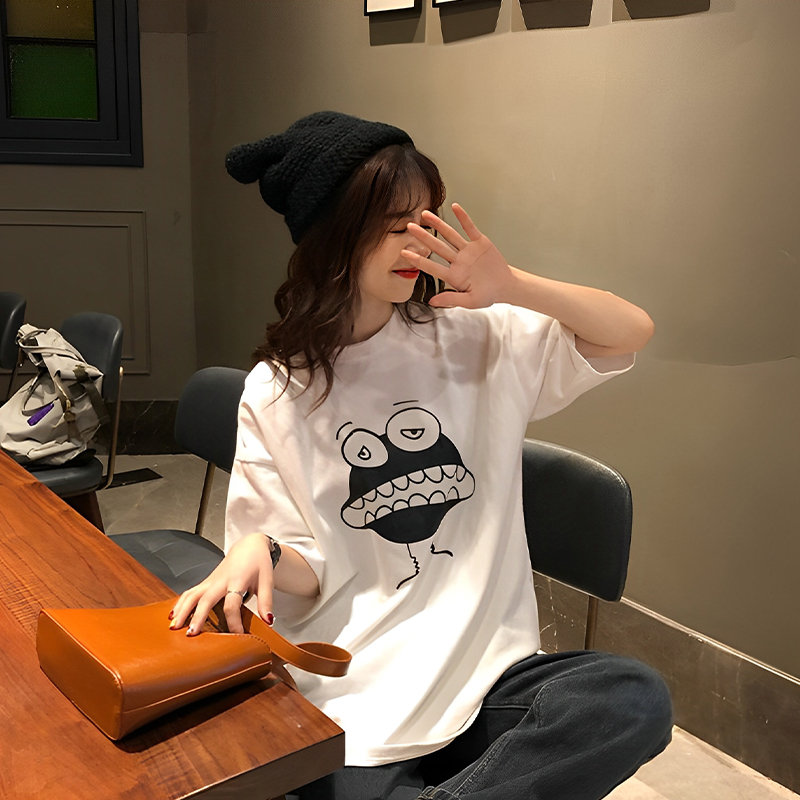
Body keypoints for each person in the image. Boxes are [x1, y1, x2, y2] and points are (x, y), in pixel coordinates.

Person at [170, 111, 672, 800]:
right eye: (390, 223)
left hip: (486, 673)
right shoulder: (279, 389)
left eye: (424, 217)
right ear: (332, 232)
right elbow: (308, 570)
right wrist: (264, 547)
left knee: (631, 697)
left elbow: (628, 331)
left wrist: (512, 285)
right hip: (356, 687)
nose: (417, 241)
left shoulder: (476, 337)